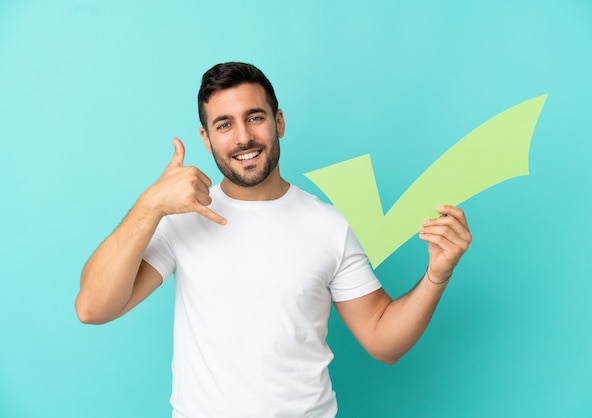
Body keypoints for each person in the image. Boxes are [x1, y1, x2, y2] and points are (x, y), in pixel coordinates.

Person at [75, 62, 472, 417]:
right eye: (224, 124)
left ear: (278, 122)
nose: (243, 137)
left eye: (255, 117)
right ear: (206, 138)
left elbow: (383, 341)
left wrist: (437, 274)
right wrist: (150, 206)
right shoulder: (183, 218)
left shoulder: (329, 225)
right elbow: (93, 308)